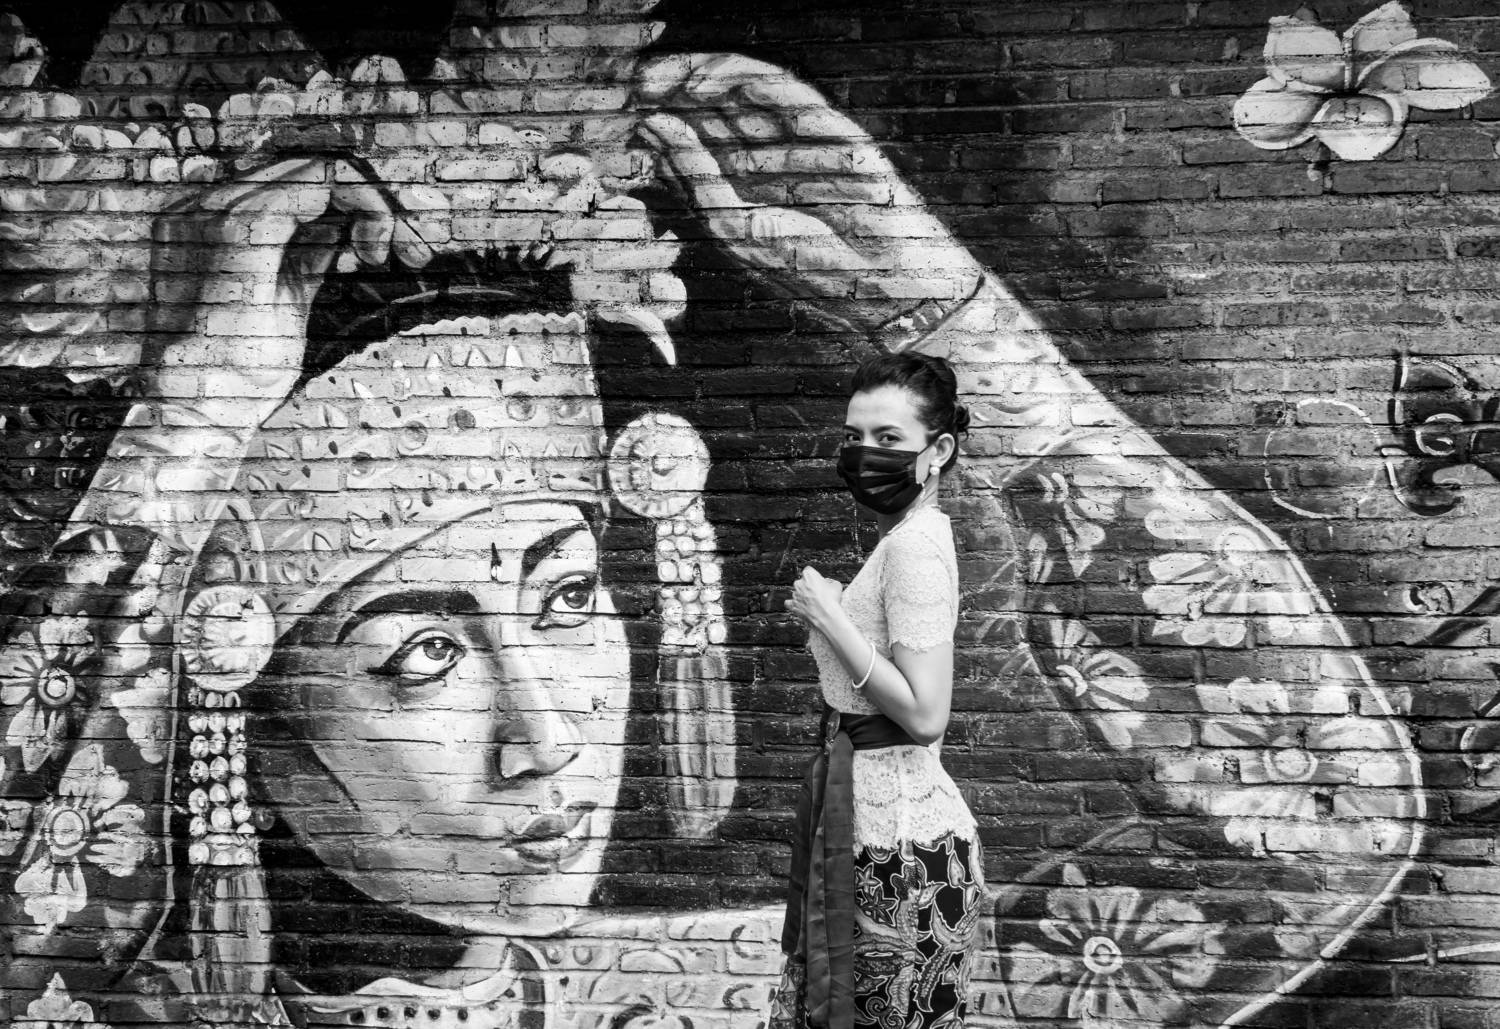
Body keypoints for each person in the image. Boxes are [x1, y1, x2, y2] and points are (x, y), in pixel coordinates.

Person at [0, 156, 739, 1028]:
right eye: (426, 655)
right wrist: (197, 413)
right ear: (236, 712)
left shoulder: (713, 988)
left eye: (568, 597)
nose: (543, 742)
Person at [776, 352, 984, 1029]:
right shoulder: (906, 539)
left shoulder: (914, 546)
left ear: (938, 450)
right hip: (878, 833)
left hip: (900, 856)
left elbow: (925, 714)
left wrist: (831, 618)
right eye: (854, 435)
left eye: (889, 437)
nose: (865, 453)